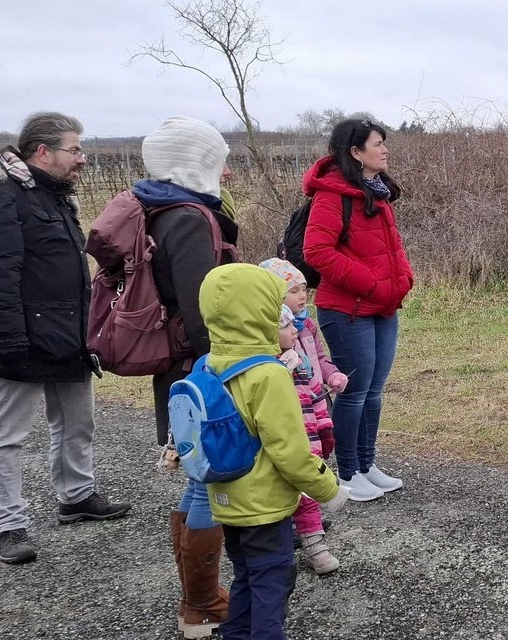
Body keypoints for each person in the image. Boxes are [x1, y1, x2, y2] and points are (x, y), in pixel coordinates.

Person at [0, 112, 132, 565]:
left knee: (77, 422)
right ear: (43, 152)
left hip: (66, 335)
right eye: (74, 150)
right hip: (17, 338)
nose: (83, 158)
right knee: (7, 434)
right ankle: (7, 524)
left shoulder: (52, 195)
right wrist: (9, 342)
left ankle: (76, 497)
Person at [119, 115, 237, 637]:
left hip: (177, 365)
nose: (227, 171)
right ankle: (202, 602)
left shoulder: (162, 209)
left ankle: (197, 598)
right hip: (199, 367)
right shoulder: (189, 218)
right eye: (219, 161)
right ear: (195, 162)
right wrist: (225, 367)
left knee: (197, 477)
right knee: (209, 479)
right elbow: (201, 305)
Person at [199, 263, 350, 639]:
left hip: (226, 501)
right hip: (264, 505)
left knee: (246, 575)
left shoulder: (208, 364)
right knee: (273, 581)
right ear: (264, 311)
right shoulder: (269, 374)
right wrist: (328, 489)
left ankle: (236, 633)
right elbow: (291, 453)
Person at [302, 118, 413, 501]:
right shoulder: (332, 195)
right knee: (354, 391)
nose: (385, 150)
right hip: (347, 310)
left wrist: (403, 279)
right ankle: (347, 473)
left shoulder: (377, 192)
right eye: (378, 143)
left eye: (384, 143)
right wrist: (372, 284)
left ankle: (367, 464)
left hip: (383, 308)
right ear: (355, 151)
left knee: (373, 391)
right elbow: (317, 251)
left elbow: (394, 246)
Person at [259, 258, 349, 575]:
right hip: (286, 422)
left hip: (313, 412)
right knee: (289, 483)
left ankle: (309, 539)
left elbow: (319, 361)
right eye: (294, 291)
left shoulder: (307, 326)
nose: (302, 296)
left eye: (303, 289)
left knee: (310, 478)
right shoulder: (267, 343)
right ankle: (300, 544)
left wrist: (332, 375)